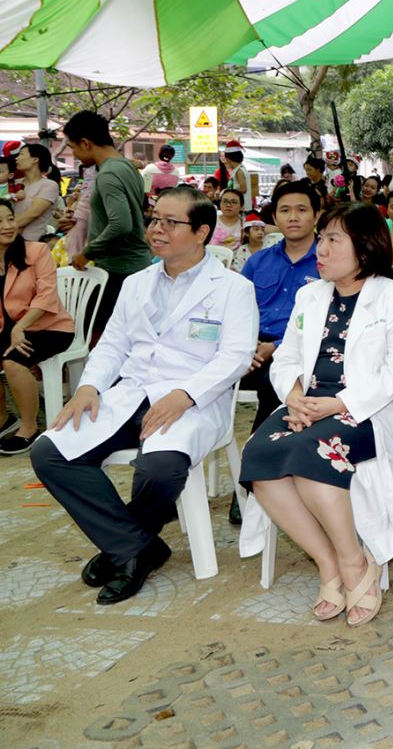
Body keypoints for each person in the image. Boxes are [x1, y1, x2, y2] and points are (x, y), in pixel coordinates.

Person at [31, 186, 256, 604]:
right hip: (131, 394)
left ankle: (126, 544)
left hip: (193, 401)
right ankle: (137, 547)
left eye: (171, 222)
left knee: (159, 470)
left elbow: (236, 356)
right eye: (155, 219)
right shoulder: (136, 283)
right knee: (50, 453)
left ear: (201, 232)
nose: (157, 229)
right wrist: (88, 387)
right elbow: (112, 345)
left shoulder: (232, 288)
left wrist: (185, 394)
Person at [238, 202, 393, 626]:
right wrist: (294, 395)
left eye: (333, 240)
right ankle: (329, 563)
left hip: (366, 410)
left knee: (310, 453)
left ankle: (354, 562)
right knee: (259, 454)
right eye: (321, 239)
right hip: (309, 404)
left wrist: (339, 404)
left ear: (365, 247)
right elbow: (286, 357)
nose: (320, 249)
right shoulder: (310, 295)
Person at [239, 182, 321, 434]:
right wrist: (245, 347)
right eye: (285, 210)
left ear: (316, 215)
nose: (293, 217)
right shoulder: (257, 262)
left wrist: (274, 347)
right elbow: (236, 311)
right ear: (274, 218)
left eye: (301, 210)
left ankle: (262, 444)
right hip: (250, 348)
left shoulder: (328, 261)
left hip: (302, 351)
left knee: (275, 380)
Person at [62, 111, 151, 337]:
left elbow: (121, 224)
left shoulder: (108, 174)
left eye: (73, 147)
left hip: (118, 271)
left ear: (85, 143)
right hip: (132, 266)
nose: (74, 154)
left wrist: (87, 252)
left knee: (100, 337)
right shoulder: (128, 168)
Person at [0, 201, 77, 456]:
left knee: (13, 360)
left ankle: (29, 427)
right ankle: (3, 419)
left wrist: (20, 327)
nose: (7, 226)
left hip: (49, 327)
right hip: (8, 327)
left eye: (10, 219)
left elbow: (47, 296)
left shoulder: (36, 251)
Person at [12, 142, 62, 241]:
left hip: (32, 241)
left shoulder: (49, 185)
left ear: (35, 159)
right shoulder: (14, 183)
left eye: (21, 154)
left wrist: (5, 227)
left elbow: (33, 214)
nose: (16, 158)